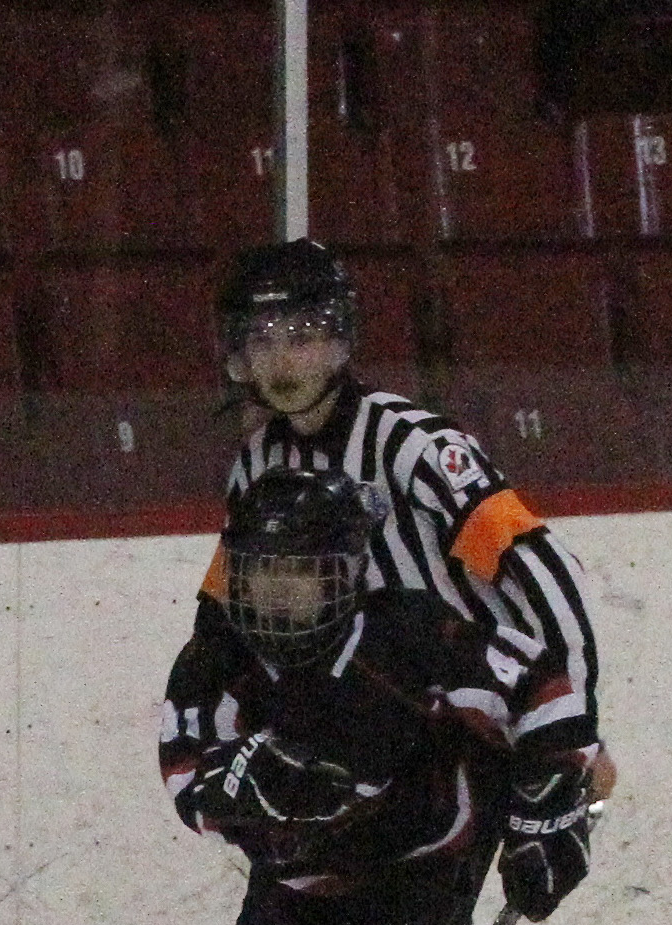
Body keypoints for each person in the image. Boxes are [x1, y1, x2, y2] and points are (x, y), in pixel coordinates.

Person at [164, 463, 601, 925]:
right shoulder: (218, 661)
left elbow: (542, 687)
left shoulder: (412, 634)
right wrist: (237, 792)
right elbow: (186, 771)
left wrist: (545, 816)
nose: (277, 591)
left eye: (301, 573)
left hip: (424, 856)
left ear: (347, 574)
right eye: (262, 571)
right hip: (298, 877)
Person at [211, 239, 617, 818]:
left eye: (301, 337)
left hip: (473, 727)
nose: (282, 362)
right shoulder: (253, 469)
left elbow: (544, 576)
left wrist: (577, 732)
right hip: (364, 751)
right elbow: (239, 618)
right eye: (263, 340)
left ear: (338, 341)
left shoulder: (416, 447)